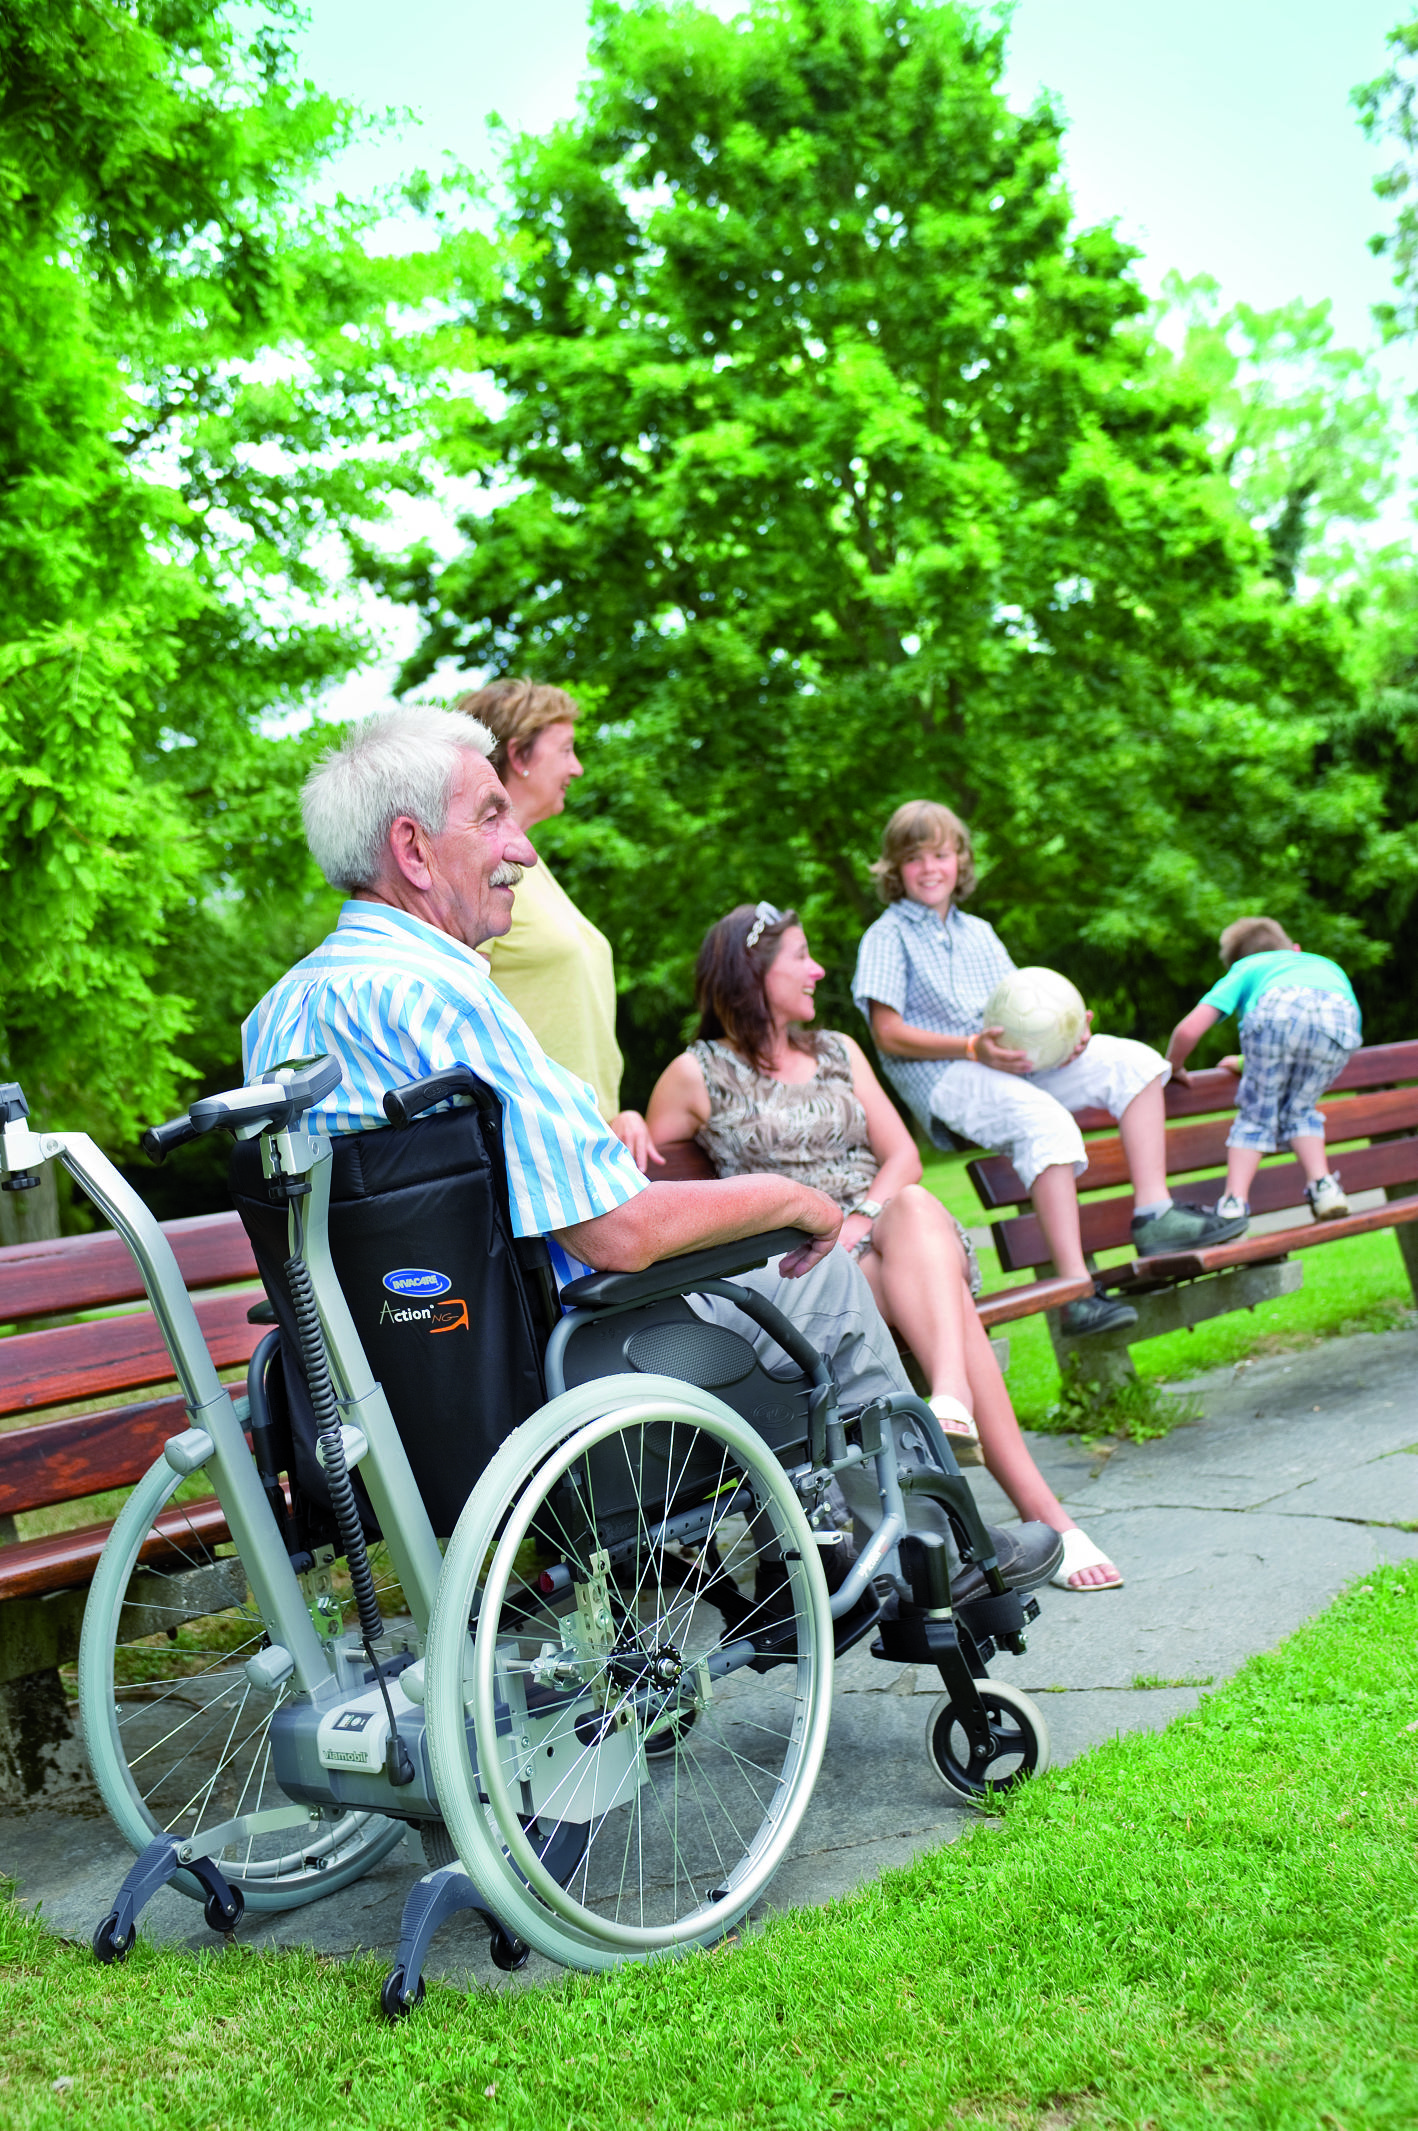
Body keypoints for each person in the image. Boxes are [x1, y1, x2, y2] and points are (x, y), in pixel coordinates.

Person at [240, 707, 1063, 1598]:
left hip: (388, 1393)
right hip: (569, 1358)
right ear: (412, 848)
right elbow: (617, 1234)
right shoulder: (444, 1004)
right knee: (820, 1275)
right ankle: (926, 1560)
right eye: (491, 816)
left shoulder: (278, 1017)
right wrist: (789, 1200)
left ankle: (841, 1550)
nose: (519, 850)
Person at [646, 903, 1121, 1590]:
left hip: (888, 1233)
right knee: (942, 1291)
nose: (818, 969)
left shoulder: (837, 1050)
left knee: (918, 1207)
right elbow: (648, 1177)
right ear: (752, 972)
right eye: (801, 956)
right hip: (808, 1273)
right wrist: (628, 1117)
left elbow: (902, 1154)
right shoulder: (699, 1072)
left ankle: (950, 1402)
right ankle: (1041, 1511)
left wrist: (864, 1215)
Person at [852, 801, 1248, 1338]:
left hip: (1005, 1061)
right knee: (1046, 1121)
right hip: (946, 1076)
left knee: (1136, 1062)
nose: (929, 868)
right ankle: (1074, 1290)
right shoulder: (887, 935)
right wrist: (972, 1047)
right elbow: (887, 1032)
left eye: (941, 854)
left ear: (961, 861)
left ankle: (1155, 1217)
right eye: (914, 857)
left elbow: (1025, 1005)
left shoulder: (978, 932)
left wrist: (1065, 1033)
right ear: (894, 869)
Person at [451, 676, 659, 1173]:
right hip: (537, 1156)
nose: (577, 767)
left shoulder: (531, 865)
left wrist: (615, 1111)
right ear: (520, 755)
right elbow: (454, 1022)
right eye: (565, 749)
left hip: (587, 1143)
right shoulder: (480, 866)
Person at [1165, 917, 1362, 1222]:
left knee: (1257, 1114)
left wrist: (1173, 1066)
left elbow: (1189, 1031)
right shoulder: (1322, 965)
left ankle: (1233, 1204)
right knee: (1300, 1109)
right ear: (1295, 949)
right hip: (1340, 1023)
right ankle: (1324, 1188)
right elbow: (1306, 1033)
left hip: (1275, 1014)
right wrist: (1245, 1064)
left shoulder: (1247, 968)